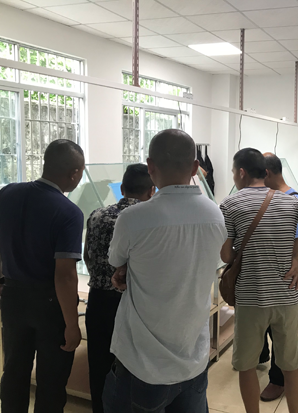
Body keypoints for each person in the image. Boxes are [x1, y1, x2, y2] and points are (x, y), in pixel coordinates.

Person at [102, 130, 227, 413]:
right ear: (195, 168)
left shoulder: (133, 218)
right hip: (194, 358)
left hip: (142, 365)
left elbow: (116, 260)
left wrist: (124, 271)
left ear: (150, 166)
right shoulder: (214, 214)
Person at [220, 148, 298, 413]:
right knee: (290, 367)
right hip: (286, 295)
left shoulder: (230, 204)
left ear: (241, 172)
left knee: (247, 366)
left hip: (250, 298)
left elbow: (226, 255)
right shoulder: (290, 201)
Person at [0, 139, 85, 413]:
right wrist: (72, 324)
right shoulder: (69, 212)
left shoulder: (7, 193)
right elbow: (65, 276)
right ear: (74, 173)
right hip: (50, 305)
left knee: (14, 370)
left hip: (13, 298)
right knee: (52, 378)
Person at [84, 164, 155, 413]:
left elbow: (88, 257)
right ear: (152, 191)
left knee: (98, 365)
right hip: (134, 303)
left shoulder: (96, 215)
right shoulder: (150, 220)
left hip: (98, 301)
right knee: (133, 368)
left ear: (122, 189)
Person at [258, 153, 298, 402]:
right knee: (265, 324)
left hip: (283, 279)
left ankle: (278, 379)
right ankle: (262, 355)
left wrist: (296, 262)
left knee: (281, 333)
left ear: (266, 173)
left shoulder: (292, 199)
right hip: (265, 278)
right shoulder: (269, 196)